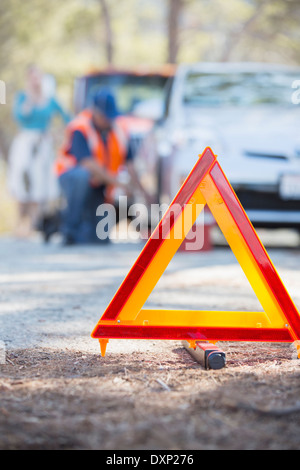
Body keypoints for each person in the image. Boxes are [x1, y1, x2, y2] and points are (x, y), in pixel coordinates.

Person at [55, 88, 150, 245]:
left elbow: (131, 165)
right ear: (95, 112)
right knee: (82, 176)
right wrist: (118, 183)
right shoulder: (80, 128)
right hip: (73, 181)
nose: (108, 120)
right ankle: (69, 229)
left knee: (100, 237)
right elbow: (88, 164)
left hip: (100, 187)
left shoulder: (120, 130)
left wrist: (143, 193)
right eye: (105, 116)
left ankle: (84, 230)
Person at [7, 64, 70, 238]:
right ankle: (20, 225)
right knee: (21, 181)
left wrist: (57, 134)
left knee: (39, 182)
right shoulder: (22, 97)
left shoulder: (50, 99)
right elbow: (18, 117)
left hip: (43, 143)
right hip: (25, 142)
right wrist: (29, 99)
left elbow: (67, 118)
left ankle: (35, 225)